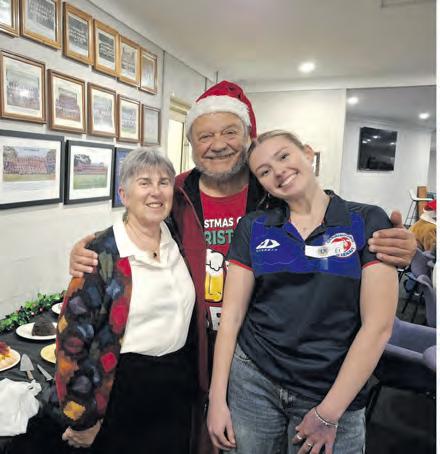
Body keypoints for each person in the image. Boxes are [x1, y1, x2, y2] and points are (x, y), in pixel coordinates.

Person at [69, 81, 416, 452]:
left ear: (249, 137)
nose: (217, 144)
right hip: (192, 347)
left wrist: (400, 243)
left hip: (266, 352)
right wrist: (90, 248)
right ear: (192, 145)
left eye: (230, 132)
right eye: (205, 136)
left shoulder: (272, 190)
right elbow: (138, 222)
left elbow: (323, 216)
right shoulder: (177, 193)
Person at [207, 130, 399, 454]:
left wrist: (328, 414)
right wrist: (217, 399)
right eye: (264, 171)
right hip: (254, 380)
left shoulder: (366, 220)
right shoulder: (254, 226)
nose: (278, 171)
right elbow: (232, 317)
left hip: (332, 387)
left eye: (283, 156)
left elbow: (378, 326)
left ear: (308, 154)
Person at [18, 148, 195, 454]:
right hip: (120, 390)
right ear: (124, 195)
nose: (155, 191)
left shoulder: (175, 237)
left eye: (164, 182)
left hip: (174, 386)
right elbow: (70, 345)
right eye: (144, 182)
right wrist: (83, 420)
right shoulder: (101, 256)